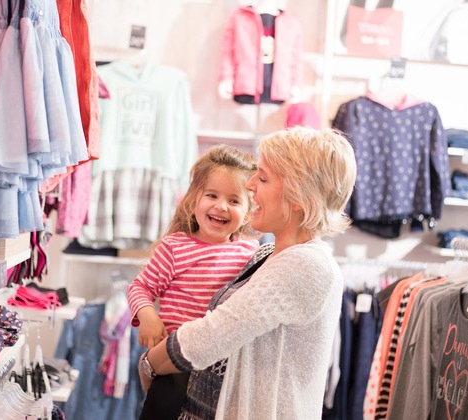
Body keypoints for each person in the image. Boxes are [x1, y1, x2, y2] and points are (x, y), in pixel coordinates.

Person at [137, 126, 358, 420]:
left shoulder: (306, 265)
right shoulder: (267, 255)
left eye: (263, 177)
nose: (251, 184)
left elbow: (211, 335)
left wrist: (150, 365)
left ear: (298, 196)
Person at [127, 144, 260, 419]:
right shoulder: (175, 248)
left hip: (221, 370)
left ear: (248, 212)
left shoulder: (250, 253)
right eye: (212, 195)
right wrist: (148, 314)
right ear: (193, 200)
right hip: (174, 364)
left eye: (234, 201)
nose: (221, 206)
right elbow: (140, 287)